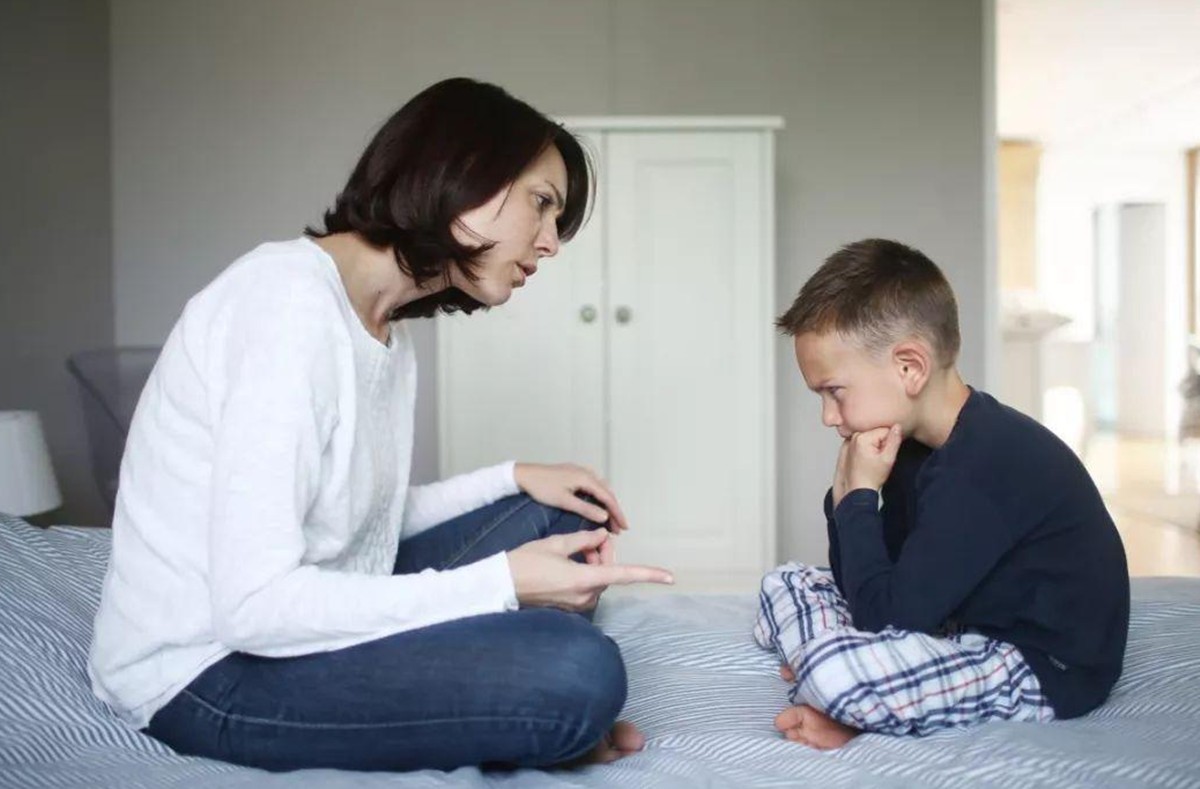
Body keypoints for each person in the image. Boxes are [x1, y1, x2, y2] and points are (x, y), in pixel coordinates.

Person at [88, 77, 675, 773]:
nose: (550, 244)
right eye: (542, 204)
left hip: (308, 610)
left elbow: (363, 520)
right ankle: (536, 703)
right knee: (581, 670)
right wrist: (501, 583)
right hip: (207, 672)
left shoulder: (385, 334)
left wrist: (512, 477)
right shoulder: (285, 307)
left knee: (562, 516)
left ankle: (523, 704)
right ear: (463, 173)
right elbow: (253, 607)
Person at [754, 239, 1129, 749]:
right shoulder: (910, 449)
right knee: (785, 582)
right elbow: (869, 586)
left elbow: (883, 621)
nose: (828, 416)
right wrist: (846, 497)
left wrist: (857, 498)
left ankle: (838, 691)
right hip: (948, 622)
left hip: (1036, 663)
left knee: (836, 670)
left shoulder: (987, 462)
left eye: (834, 391)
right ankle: (839, 685)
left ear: (909, 367)